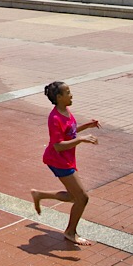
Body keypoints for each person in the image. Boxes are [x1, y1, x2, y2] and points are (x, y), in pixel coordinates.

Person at [30, 81, 100, 245]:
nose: (71, 95)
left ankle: (39, 195)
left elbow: (70, 132)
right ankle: (70, 232)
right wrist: (81, 140)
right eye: (67, 92)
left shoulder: (66, 110)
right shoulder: (54, 118)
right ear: (59, 97)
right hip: (58, 160)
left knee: (72, 196)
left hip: (66, 159)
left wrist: (86, 127)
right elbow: (58, 146)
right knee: (82, 198)